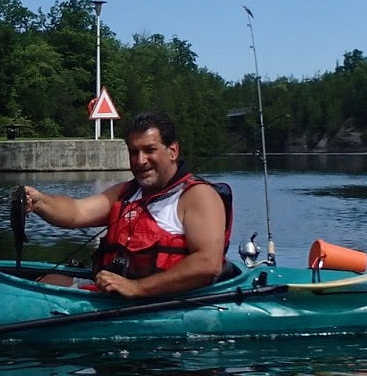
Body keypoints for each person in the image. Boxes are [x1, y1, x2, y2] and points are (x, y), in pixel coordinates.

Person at [22, 111, 232, 299]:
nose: (140, 160)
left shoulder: (198, 196)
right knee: (48, 280)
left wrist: (137, 288)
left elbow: (208, 263)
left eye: (150, 150)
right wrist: (40, 202)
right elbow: (76, 212)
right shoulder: (127, 192)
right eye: (134, 152)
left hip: (167, 301)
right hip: (116, 295)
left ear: (173, 151)